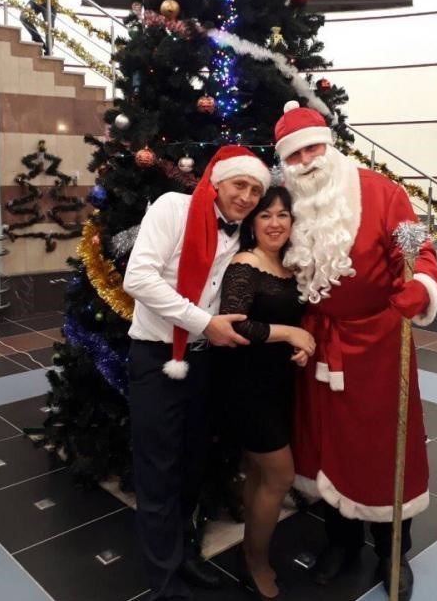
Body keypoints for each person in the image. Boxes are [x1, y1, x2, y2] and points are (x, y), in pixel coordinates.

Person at [273, 102, 437, 601]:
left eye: (312, 148)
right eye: (294, 154)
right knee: (327, 445)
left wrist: (421, 285)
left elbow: (418, 249)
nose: (306, 161)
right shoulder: (287, 204)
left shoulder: (383, 192)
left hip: (379, 345)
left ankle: (393, 551)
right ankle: (341, 542)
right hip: (319, 343)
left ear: (329, 145)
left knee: (385, 446)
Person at [123, 145, 271, 601]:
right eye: (240, 185)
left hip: (205, 361)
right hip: (156, 358)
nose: (247, 197)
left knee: (191, 469)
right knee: (158, 473)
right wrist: (203, 322)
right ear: (218, 182)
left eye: (255, 190)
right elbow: (138, 278)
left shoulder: (243, 236)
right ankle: (164, 582)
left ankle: (183, 555)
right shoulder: (174, 208)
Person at [218, 186, 315, 600]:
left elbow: (290, 321)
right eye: (265, 215)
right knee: (280, 475)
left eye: (283, 215)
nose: (275, 223)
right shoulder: (246, 264)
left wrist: (300, 346)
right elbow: (235, 324)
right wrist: (290, 332)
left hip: (278, 385)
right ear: (252, 223)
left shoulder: (288, 266)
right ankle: (255, 560)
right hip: (247, 388)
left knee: (259, 474)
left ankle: (249, 551)